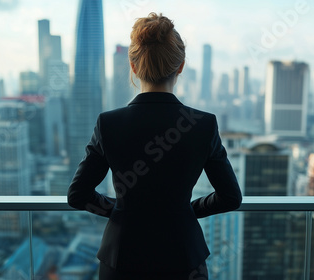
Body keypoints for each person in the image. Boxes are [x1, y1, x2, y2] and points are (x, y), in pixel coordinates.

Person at [67, 12, 242, 280]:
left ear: (133, 66)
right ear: (181, 66)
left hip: (122, 259)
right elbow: (231, 197)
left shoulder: (109, 124)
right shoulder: (203, 125)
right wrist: (187, 210)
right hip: (183, 259)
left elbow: (77, 195)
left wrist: (118, 210)